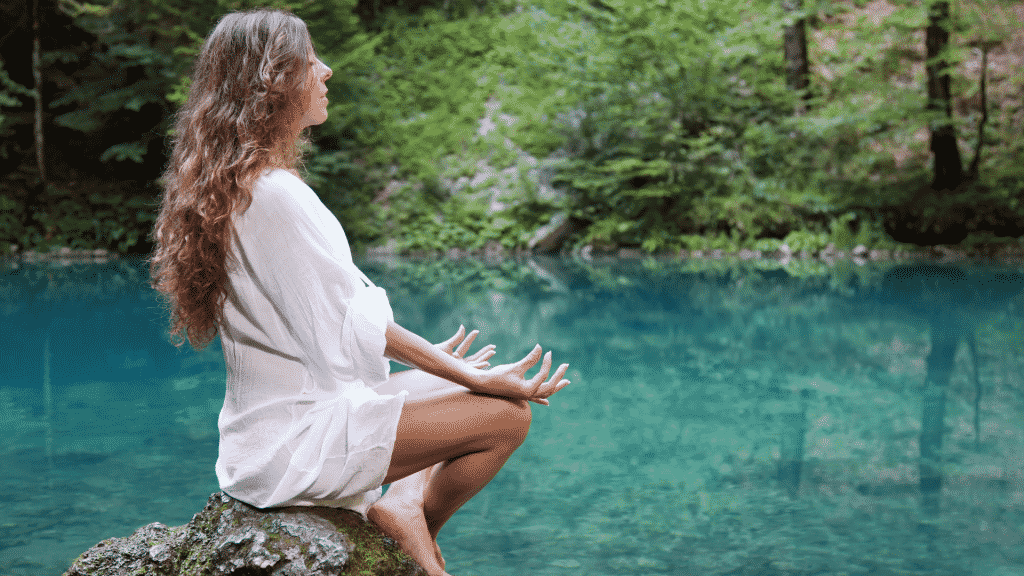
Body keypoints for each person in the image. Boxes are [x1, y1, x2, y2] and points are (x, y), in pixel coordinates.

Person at [147, 9, 571, 576]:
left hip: (268, 435)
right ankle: (409, 514)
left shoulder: (240, 187)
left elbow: (337, 325)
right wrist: (463, 377)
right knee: (507, 415)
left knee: (450, 374)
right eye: (309, 62)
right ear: (272, 83)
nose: (326, 70)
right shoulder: (275, 196)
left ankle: (401, 506)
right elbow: (351, 324)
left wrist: (442, 365)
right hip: (294, 447)